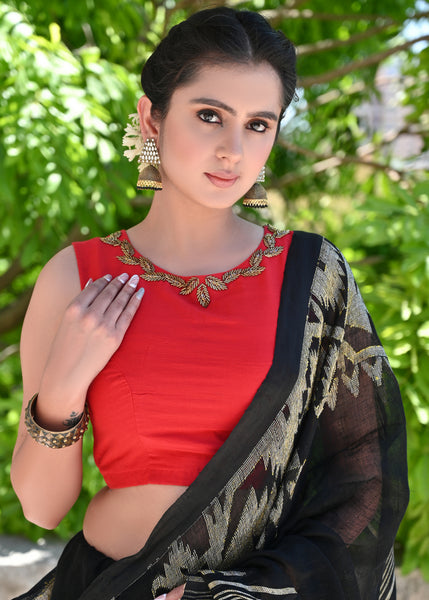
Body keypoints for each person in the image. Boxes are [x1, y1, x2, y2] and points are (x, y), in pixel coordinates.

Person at [11, 6, 408, 600]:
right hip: (113, 586)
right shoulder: (77, 278)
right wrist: (63, 390)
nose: (232, 149)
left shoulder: (311, 276)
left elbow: (361, 484)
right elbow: (43, 509)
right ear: (152, 116)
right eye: (208, 116)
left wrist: (237, 592)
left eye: (257, 124)